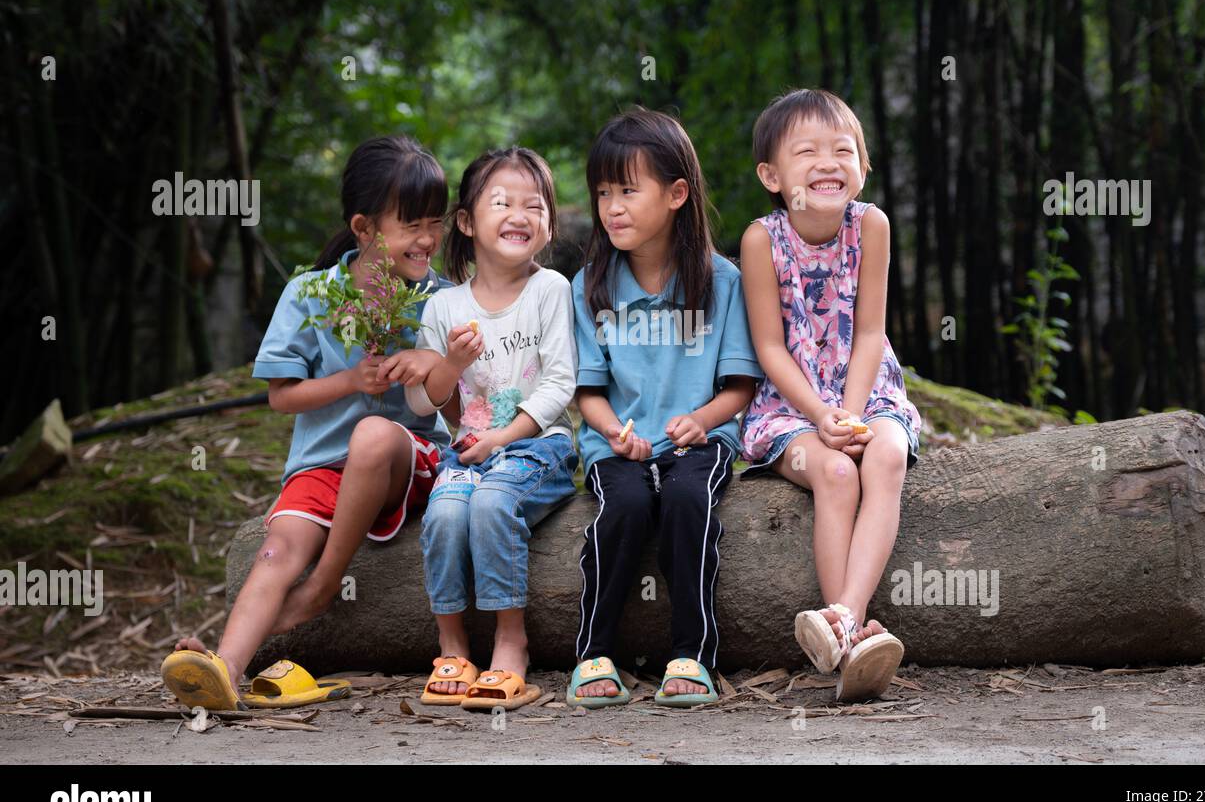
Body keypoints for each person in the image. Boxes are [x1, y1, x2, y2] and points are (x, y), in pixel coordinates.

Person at [161, 135, 453, 710]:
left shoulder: (441, 299)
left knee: (372, 435)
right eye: (412, 225)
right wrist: (351, 381)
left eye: (435, 223)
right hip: (322, 466)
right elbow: (281, 397)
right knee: (277, 549)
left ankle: (319, 590)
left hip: (408, 459)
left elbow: (459, 401)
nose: (428, 239)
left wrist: (435, 365)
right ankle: (225, 667)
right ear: (365, 229)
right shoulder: (312, 294)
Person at [566, 108, 762, 709]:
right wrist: (612, 434)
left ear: (677, 194)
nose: (612, 207)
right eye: (603, 192)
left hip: (701, 444)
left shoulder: (722, 282)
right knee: (623, 505)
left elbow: (740, 387)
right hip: (617, 445)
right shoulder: (591, 285)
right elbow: (588, 393)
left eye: (628, 189)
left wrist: (702, 421)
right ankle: (592, 654)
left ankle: (693, 653)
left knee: (684, 500)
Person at [739, 88, 922, 702]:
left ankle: (843, 618)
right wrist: (820, 416)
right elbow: (768, 347)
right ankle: (856, 632)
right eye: (807, 151)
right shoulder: (761, 241)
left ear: (863, 167)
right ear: (771, 174)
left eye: (843, 150)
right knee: (839, 475)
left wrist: (851, 407)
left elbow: (870, 330)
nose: (827, 163)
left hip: (868, 390)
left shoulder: (870, 225)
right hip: (791, 407)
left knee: (888, 455)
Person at [407, 147, 578, 711]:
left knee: (489, 505)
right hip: (467, 451)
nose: (519, 215)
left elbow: (559, 385)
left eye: (535, 205)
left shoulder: (550, 289)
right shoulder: (444, 307)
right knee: (447, 510)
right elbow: (424, 399)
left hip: (538, 448)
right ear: (466, 222)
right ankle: (451, 644)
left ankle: (511, 639)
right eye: (501, 202)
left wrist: (503, 439)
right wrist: (451, 364)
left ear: (548, 224)